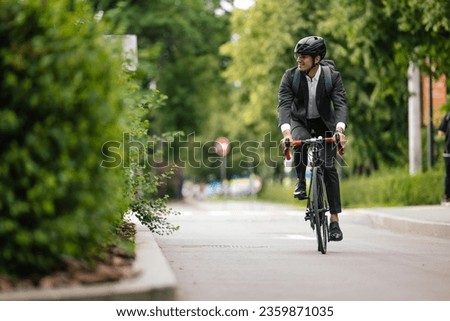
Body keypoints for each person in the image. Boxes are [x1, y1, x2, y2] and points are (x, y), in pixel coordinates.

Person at [277, 36, 348, 241]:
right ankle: (300, 181)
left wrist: (339, 130)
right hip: (300, 122)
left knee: (328, 167)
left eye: (304, 57)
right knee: (298, 142)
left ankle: (334, 221)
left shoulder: (331, 77)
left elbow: (341, 104)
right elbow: (283, 105)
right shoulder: (290, 76)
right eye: (298, 56)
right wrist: (287, 133)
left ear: (317, 59)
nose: (299, 60)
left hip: (325, 124)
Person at [438, 112, 450, 205]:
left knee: (449, 174)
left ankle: (447, 197)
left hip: (448, 151)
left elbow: (441, 133)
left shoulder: (448, 116)